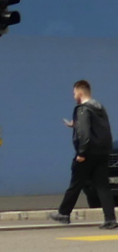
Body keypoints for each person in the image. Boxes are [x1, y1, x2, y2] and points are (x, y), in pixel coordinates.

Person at [50, 80, 117, 228]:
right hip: (102, 152)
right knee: (102, 185)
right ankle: (110, 219)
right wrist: (75, 124)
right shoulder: (99, 108)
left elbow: (84, 133)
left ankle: (63, 214)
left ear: (80, 93)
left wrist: (82, 152)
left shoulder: (82, 109)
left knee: (76, 182)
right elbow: (101, 128)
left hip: (88, 153)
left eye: (74, 93)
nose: (73, 96)